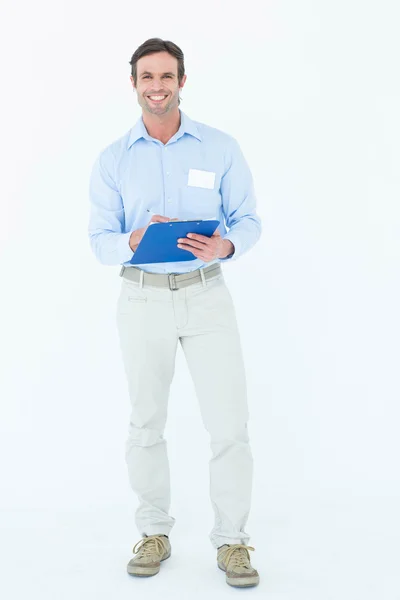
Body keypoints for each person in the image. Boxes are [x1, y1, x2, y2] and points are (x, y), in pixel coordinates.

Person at [88, 37, 262, 588]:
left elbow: (248, 220)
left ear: (182, 81)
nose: (157, 87)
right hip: (141, 298)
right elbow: (98, 239)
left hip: (207, 295)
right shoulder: (113, 158)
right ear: (134, 83)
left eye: (167, 77)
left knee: (229, 425)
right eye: (147, 77)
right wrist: (133, 238)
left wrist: (226, 247)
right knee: (145, 422)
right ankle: (154, 530)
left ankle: (233, 541)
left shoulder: (220, 147)